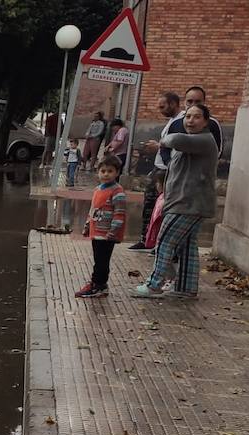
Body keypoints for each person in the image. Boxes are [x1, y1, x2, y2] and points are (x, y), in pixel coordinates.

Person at [132, 104, 220, 300]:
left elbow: (175, 138)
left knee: (164, 242)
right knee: (187, 246)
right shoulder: (190, 142)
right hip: (184, 202)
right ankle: (186, 288)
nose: (190, 120)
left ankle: (154, 285)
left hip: (188, 204)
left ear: (206, 121)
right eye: (188, 116)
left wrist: (161, 142)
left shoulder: (204, 140)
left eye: (196, 117)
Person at [127, 92, 183, 251]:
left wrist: (158, 147)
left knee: (161, 207)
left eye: (162, 106)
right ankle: (147, 239)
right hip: (159, 167)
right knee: (150, 204)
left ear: (173, 103)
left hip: (167, 169)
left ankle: (157, 243)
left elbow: (176, 146)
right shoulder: (172, 121)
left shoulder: (180, 121)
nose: (160, 110)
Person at [75, 155, 129, 299]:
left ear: (117, 173)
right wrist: (87, 225)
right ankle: (99, 284)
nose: (106, 174)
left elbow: (119, 213)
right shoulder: (98, 189)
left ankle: (97, 285)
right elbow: (93, 209)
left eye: (110, 171)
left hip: (107, 234)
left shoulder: (117, 191)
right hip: (96, 231)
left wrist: (113, 231)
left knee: (102, 261)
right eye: (103, 171)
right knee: (98, 259)